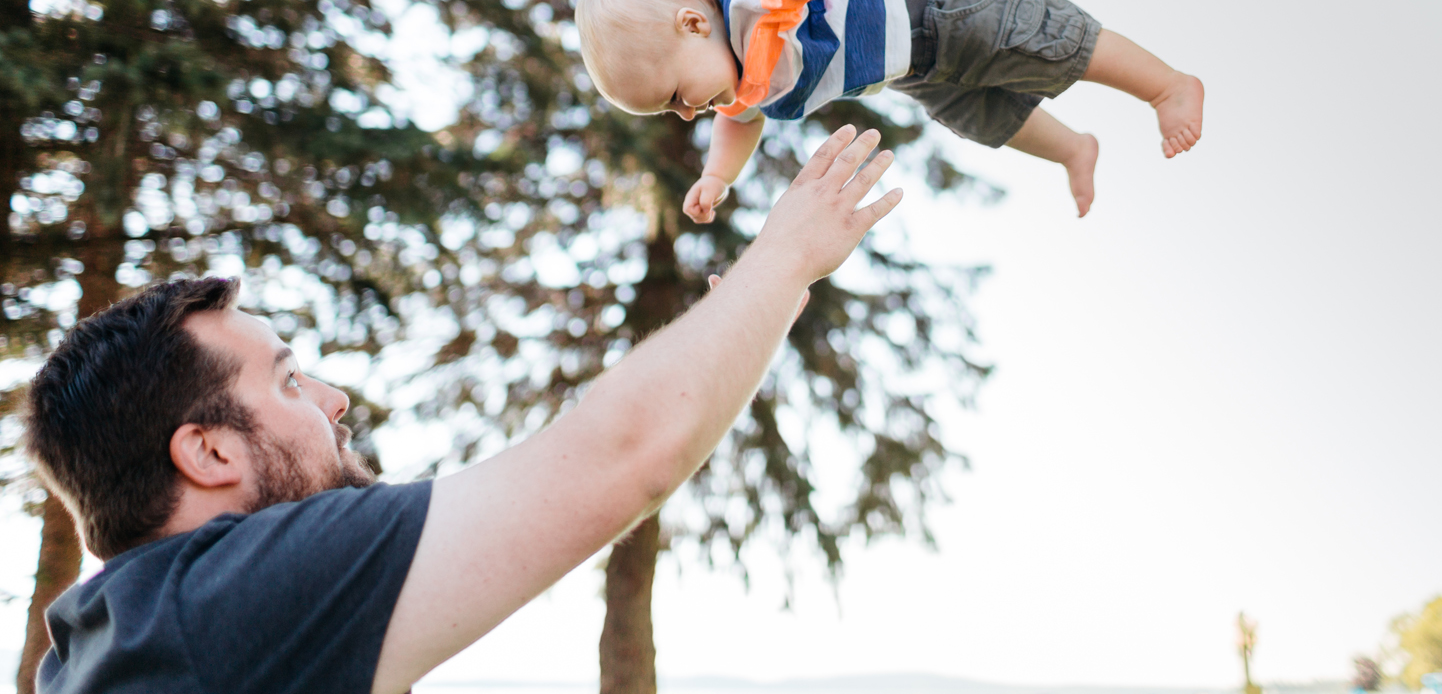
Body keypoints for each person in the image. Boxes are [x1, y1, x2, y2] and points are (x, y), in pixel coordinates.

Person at [22, 125, 900, 694]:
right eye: (289, 383)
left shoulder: (109, 642)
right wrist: (783, 259)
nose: (336, 402)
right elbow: (624, 454)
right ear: (209, 454)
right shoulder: (231, 594)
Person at [575, 0, 1205, 221]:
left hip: (937, 3)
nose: (687, 114)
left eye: (673, 98)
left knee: (1041, 41)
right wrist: (717, 175)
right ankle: (1073, 147)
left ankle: (1166, 85)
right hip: (918, 66)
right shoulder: (736, 85)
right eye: (671, 115)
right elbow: (740, 125)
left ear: (692, 24)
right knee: (982, 115)